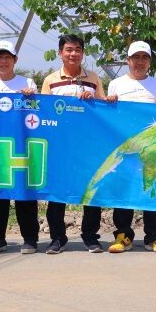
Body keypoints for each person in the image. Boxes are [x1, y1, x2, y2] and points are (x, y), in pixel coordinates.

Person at [40, 33, 106, 253]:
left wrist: (93, 101)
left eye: (77, 49)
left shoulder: (93, 78)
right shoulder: (50, 80)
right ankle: (57, 238)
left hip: (88, 146)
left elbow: (104, 111)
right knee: (57, 194)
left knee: (91, 191)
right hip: (60, 147)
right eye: (69, 49)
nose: (73, 54)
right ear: (60, 53)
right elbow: (44, 112)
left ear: (83, 53)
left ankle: (90, 236)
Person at [104, 41, 156, 253]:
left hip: (152, 149)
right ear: (128, 60)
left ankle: (154, 237)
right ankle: (123, 236)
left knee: (151, 189)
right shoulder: (116, 84)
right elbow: (110, 115)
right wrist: (109, 102)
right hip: (126, 147)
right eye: (136, 57)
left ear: (149, 61)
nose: (140, 62)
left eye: (144, 58)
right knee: (124, 190)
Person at [0, 40, 41, 254]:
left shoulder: (27, 82)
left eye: (7, 57)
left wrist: (32, 96)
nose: (3, 61)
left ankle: (30, 239)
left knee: (25, 194)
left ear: (15, 60)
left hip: (23, 146)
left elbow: (37, 110)